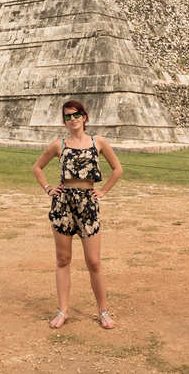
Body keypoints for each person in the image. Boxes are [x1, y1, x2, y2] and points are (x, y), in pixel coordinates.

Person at [32, 100, 123, 329]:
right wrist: (48, 189)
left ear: (85, 116)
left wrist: (103, 191)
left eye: (76, 115)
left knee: (94, 262)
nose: (72, 119)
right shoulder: (59, 145)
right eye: (67, 116)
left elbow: (117, 169)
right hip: (63, 204)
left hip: (88, 205)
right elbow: (37, 167)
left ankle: (103, 311)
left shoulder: (98, 142)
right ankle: (63, 311)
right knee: (63, 260)